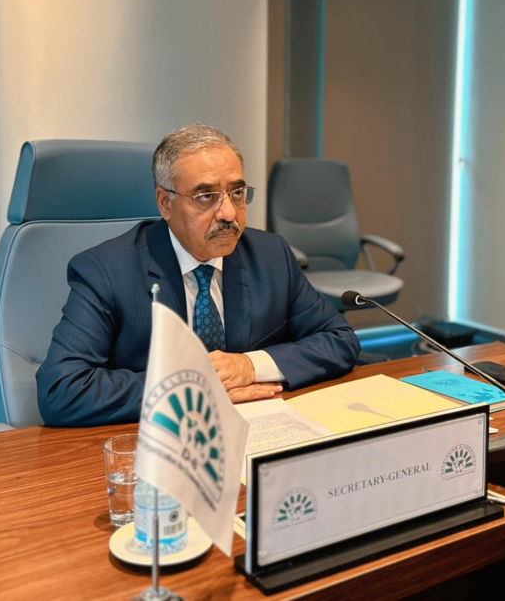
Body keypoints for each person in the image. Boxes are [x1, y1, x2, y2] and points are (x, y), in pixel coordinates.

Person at [36, 123, 360, 426]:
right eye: (206, 197)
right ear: (165, 203)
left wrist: (250, 366)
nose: (229, 213)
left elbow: (339, 339)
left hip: (258, 426)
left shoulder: (271, 255)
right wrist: (194, 386)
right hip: (158, 439)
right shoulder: (106, 271)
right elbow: (62, 389)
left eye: (237, 193)